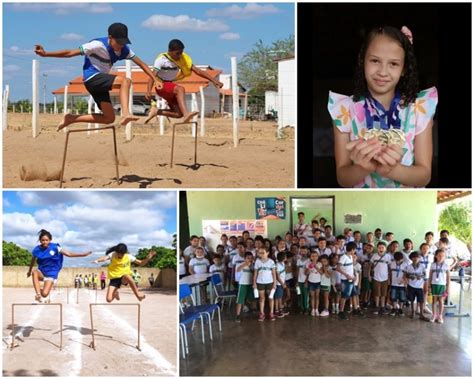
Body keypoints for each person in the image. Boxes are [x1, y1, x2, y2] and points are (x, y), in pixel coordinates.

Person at [328, 25, 437, 188]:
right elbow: (343, 178)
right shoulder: (343, 110)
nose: (383, 72)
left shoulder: (419, 109)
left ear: (404, 69)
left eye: (393, 64)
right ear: (362, 61)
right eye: (375, 61)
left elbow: (424, 176)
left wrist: (391, 170)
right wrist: (363, 167)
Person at [34, 23, 160, 130]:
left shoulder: (125, 50)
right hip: (92, 77)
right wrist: (46, 54)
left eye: (123, 42)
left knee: (109, 118)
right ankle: (126, 113)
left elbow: (142, 64)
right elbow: (70, 52)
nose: (121, 45)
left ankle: (71, 118)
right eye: (118, 42)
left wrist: (155, 79)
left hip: (100, 83)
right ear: (110, 37)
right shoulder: (97, 45)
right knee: (125, 81)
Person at [146, 39, 223, 123]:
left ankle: (156, 112)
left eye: (181, 53)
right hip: (161, 85)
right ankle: (186, 114)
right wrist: (148, 91)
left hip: (170, 86)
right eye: (177, 53)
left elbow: (198, 71)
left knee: (178, 114)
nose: (179, 55)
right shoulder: (161, 60)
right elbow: (152, 76)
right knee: (180, 89)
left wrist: (214, 80)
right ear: (169, 51)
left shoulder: (183, 59)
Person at [27, 229, 92, 303]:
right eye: (42, 240)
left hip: (51, 273)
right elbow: (32, 261)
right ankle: (38, 294)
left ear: (50, 240)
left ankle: (41, 293)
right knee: (34, 272)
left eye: (47, 240)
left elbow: (68, 254)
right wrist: (29, 271)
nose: (45, 242)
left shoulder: (55, 247)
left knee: (44, 294)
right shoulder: (37, 249)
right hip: (41, 271)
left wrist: (82, 254)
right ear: (40, 240)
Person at [253, 248, 277, 322]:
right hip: (260, 282)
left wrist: (274, 283)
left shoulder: (271, 262)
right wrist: (254, 283)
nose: (261, 254)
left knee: (271, 298)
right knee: (262, 298)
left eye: (263, 253)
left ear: (267, 253)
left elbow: (274, 273)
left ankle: (271, 313)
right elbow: (255, 273)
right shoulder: (257, 262)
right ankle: (262, 313)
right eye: (260, 253)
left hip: (270, 282)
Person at [405, 252, 430, 321]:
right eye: (413, 257)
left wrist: (420, 276)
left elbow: (425, 275)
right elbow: (406, 275)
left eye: (417, 257)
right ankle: (413, 312)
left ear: (419, 258)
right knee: (412, 300)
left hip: (419, 286)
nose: (415, 259)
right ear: (411, 258)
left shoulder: (422, 266)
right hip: (411, 285)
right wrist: (410, 276)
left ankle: (421, 314)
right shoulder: (409, 266)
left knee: (421, 300)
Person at [429, 249, 450, 324]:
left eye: (443, 256)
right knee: (434, 300)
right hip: (434, 285)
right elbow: (430, 276)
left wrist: (448, 287)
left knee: (441, 301)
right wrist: (429, 286)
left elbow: (448, 277)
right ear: (436, 256)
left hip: (442, 286)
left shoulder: (446, 265)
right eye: (439, 255)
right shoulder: (433, 264)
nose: (441, 257)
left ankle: (440, 315)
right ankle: (434, 315)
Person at [369, 242, 391, 315]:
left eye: (382, 247)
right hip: (376, 278)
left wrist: (389, 279)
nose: (381, 249)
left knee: (383, 294)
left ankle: (382, 307)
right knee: (377, 294)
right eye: (379, 247)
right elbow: (370, 266)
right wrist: (369, 276)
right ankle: (377, 307)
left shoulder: (388, 257)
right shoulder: (374, 256)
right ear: (377, 248)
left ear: (385, 249)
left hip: (385, 278)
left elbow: (389, 268)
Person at [336, 242, 356, 320]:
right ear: (352, 249)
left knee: (353, 294)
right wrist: (346, 275)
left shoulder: (350, 256)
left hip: (351, 279)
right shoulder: (343, 257)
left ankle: (355, 309)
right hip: (345, 280)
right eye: (354, 250)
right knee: (344, 296)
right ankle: (340, 312)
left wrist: (353, 275)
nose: (354, 251)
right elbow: (338, 268)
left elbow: (351, 266)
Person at [389, 252, 407, 316]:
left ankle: (400, 309)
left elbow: (406, 274)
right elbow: (390, 273)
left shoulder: (405, 265)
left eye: (400, 260)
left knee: (402, 297)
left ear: (402, 259)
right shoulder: (392, 264)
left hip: (401, 284)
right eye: (397, 260)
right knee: (393, 297)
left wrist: (404, 280)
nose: (398, 261)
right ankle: (394, 308)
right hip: (393, 283)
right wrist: (389, 280)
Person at [306, 250, 322, 317]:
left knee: (317, 296)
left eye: (316, 256)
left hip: (318, 282)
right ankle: (313, 309)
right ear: (310, 257)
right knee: (312, 296)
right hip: (311, 281)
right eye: (312, 256)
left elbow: (321, 272)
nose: (314, 257)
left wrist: (315, 266)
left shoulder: (320, 264)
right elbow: (306, 273)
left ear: (318, 257)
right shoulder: (308, 263)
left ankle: (317, 309)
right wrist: (310, 268)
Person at [274, 252, 289, 318]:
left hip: (282, 283)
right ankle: (276, 311)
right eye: (285, 257)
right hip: (278, 284)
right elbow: (277, 276)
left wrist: (284, 282)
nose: (286, 258)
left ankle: (280, 309)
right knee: (277, 297)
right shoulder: (277, 265)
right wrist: (282, 283)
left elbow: (283, 273)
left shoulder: (282, 264)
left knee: (280, 297)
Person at [296, 246, 310, 314]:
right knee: (300, 294)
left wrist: (306, 281)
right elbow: (297, 271)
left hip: (306, 281)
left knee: (306, 295)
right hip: (299, 280)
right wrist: (296, 281)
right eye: (302, 251)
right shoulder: (298, 260)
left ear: (307, 251)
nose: (303, 252)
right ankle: (301, 308)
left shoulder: (309, 260)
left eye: (304, 251)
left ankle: (306, 308)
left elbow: (309, 272)